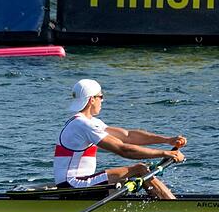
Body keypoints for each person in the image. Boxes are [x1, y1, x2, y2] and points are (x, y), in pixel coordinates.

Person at [53, 79, 186, 199]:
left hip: (80, 182)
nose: (102, 100)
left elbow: (128, 136)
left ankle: (165, 201)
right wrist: (165, 153)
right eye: (101, 96)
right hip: (72, 186)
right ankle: (172, 204)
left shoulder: (90, 122)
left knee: (138, 172)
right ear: (91, 100)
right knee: (140, 170)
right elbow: (124, 150)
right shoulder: (83, 125)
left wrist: (167, 140)